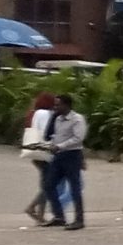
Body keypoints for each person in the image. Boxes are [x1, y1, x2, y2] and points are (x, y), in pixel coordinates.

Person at [39, 95, 88, 229]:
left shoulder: (77, 119)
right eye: (55, 105)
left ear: (67, 105)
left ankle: (79, 219)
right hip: (58, 155)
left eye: (58, 105)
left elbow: (78, 138)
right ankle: (59, 216)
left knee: (74, 188)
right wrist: (51, 145)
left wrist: (60, 146)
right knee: (49, 185)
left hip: (72, 155)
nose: (55, 108)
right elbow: (55, 135)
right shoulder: (58, 119)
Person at [20, 93, 56, 223]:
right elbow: (48, 132)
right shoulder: (45, 114)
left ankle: (40, 215)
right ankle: (32, 208)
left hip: (35, 151)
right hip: (45, 152)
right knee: (50, 184)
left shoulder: (34, 113)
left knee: (45, 183)